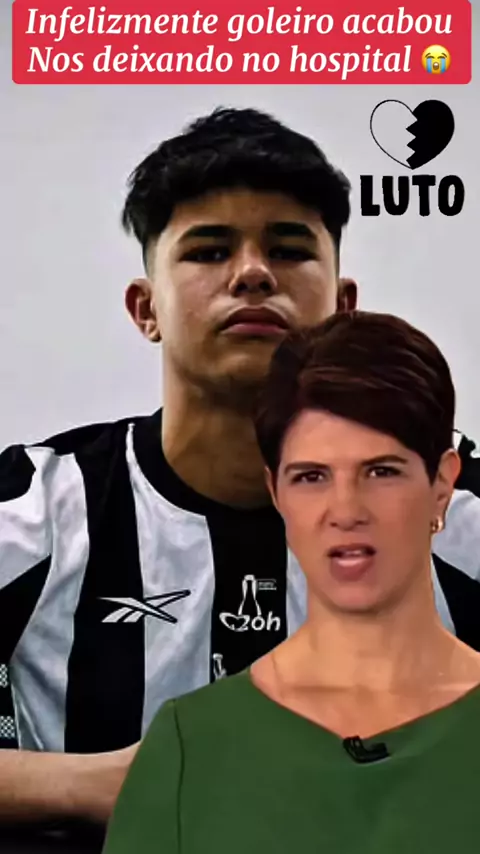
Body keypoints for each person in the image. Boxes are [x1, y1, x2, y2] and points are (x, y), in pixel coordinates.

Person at [0, 108, 479, 827]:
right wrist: (97, 785)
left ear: (343, 306)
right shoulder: (38, 509)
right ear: (146, 308)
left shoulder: (456, 512)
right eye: (209, 250)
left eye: (288, 249)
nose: (252, 273)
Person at [103, 311, 480, 854]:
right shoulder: (190, 744)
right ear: (276, 492)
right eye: (311, 477)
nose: (345, 511)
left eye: (381, 471)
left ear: (442, 483)